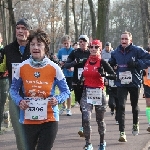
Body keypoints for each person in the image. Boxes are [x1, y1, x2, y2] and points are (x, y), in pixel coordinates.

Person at [9, 28, 70, 150]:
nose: (35, 47)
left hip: (49, 118)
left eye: (39, 44)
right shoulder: (22, 67)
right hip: (27, 119)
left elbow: (66, 91)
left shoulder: (54, 68)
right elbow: (13, 90)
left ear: (45, 47)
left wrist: (57, 99)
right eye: (32, 44)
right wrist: (19, 101)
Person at [109, 31, 150, 142]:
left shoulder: (137, 50)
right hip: (121, 82)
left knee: (134, 105)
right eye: (122, 39)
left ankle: (135, 123)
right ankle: (122, 133)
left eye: (126, 39)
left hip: (134, 82)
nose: (124, 41)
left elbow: (148, 59)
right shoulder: (115, 52)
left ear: (130, 40)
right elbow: (110, 63)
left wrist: (137, 64)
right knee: (121, 106)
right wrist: (111, 66)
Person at [0, 18, 31, 149]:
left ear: (29, 31)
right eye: (18, 28)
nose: (20, 31)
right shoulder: (8, 49)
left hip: (34, 96)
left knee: (33, 132)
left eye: (23, 28)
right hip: (15, 97)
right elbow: (1, 68)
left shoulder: (35, 47)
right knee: (19, 133)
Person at [80, 39, 115, 150]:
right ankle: (88, 143)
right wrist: (80, 80)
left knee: (100, 120)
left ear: (100, 49)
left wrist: (103, 74)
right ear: (89, 49)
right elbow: (83, 74)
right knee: (86, 118)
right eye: (91, 47)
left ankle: (101, 142)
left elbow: (114, 75)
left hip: (99, 93)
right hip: (87, 93)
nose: (93, 49)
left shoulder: (103, 62)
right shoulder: (85, 60)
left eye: (96, 47)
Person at [64, 35, 90, 137]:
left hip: (88, 82)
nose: (81, 43)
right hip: (77, 81)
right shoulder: (75, 52)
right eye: (80, 41)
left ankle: (84, 126)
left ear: (87, 43)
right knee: (81, 104)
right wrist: (74, 63)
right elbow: (66, 65)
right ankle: (85, 123)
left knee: (86, 105)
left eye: (84, 41)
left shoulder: (90, 52)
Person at [57, 35, 74, 116]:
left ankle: (69, 109)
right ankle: (63, 106)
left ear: (70, 42)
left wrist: (73, 67)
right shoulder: (61, 51)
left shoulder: (73, 51)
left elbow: (76, 62)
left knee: (69, 92)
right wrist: (60, 62)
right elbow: (58, 60)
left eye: (67, 43)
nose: (66, 45)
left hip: (71, 74)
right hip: (63, 74)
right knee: (62, 91)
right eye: (64, 44)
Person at [0, 33, 9, 134]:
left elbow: (5, 66)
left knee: (1, 102)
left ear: (1, 39)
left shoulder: (4, 51)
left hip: (3, 79)